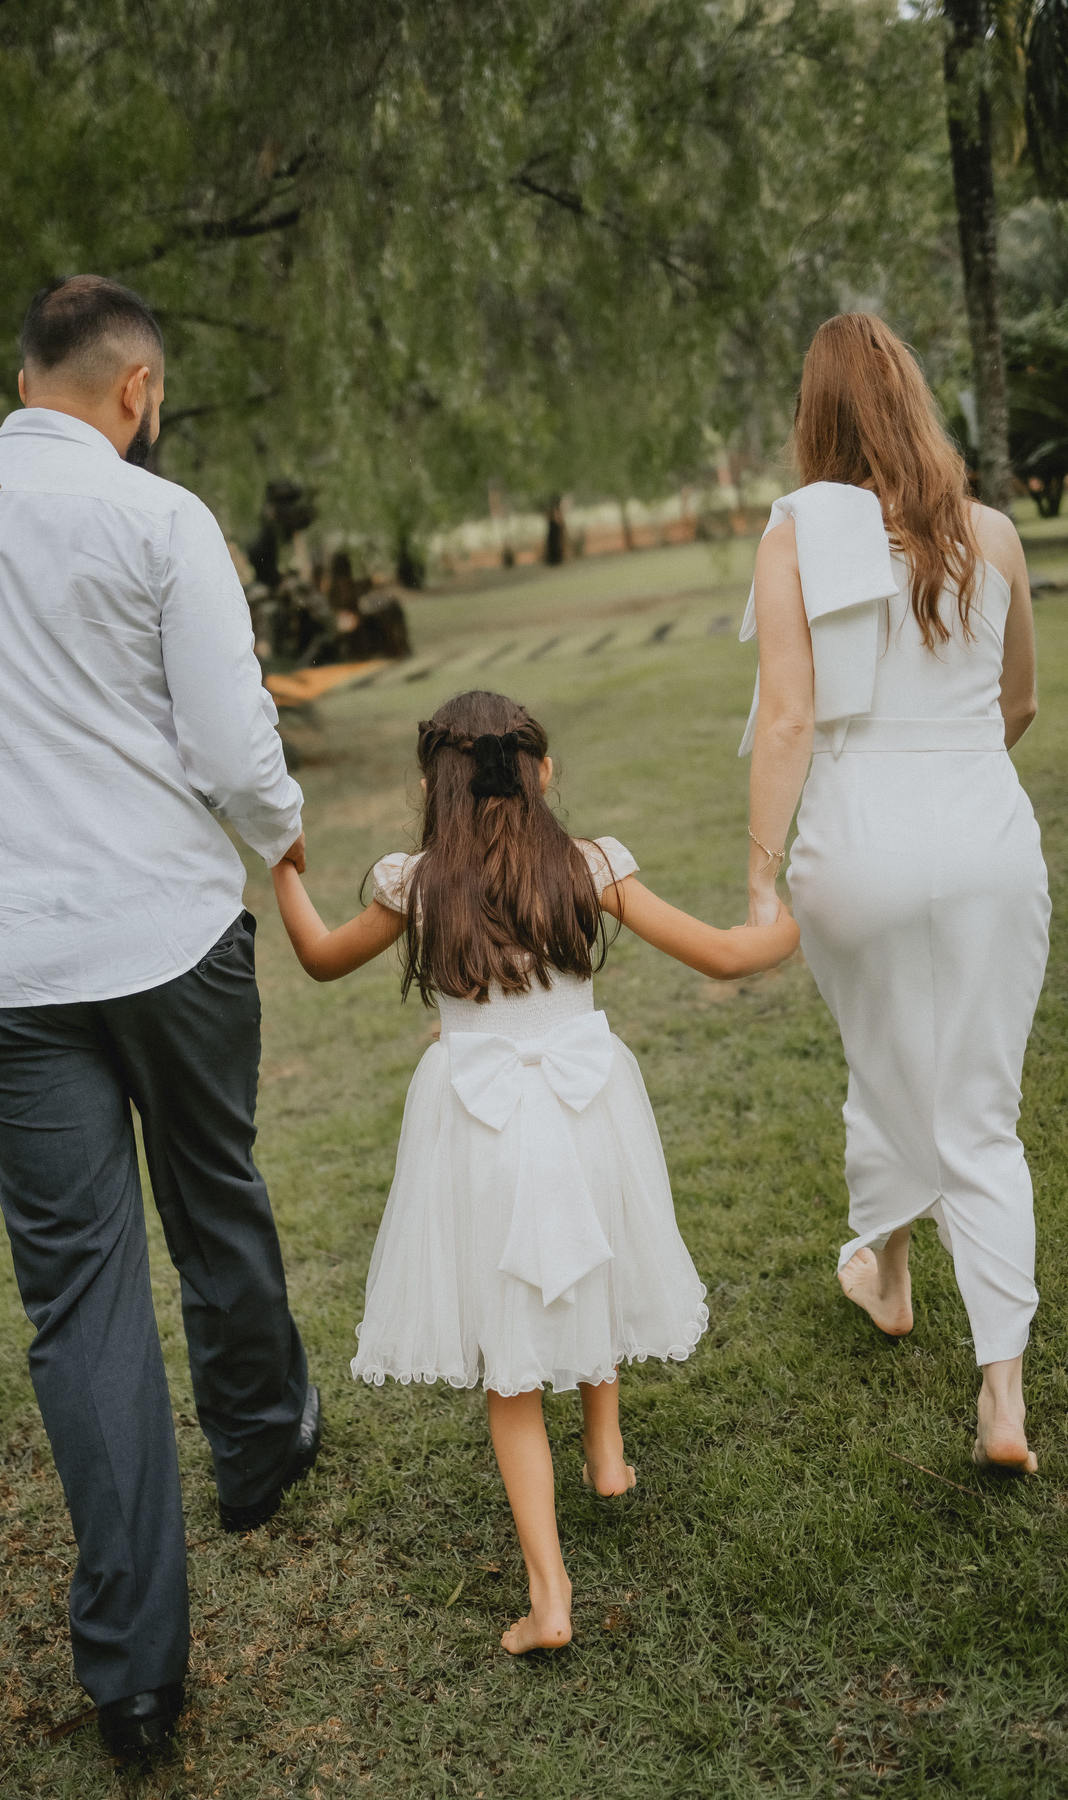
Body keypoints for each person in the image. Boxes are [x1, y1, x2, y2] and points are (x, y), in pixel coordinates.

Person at [0, 275, 321, 1760]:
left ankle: (133, 1677)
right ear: (137, 390)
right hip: (166, 932)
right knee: (214, 1189)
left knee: (79, 1300)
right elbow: (234, 748)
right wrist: (283, 834)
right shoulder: (161, 517)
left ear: (26, 380)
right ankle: (259, 1451)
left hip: (0, 966)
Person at [271, 689, 799, 1653]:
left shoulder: (414, 883)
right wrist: (800, 917)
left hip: (476, 1126)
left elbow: (316, 956)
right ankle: (606, 1451)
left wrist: (283, 868)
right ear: (542, 772)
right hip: (588, 1107)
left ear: (433, 789)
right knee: (594, 1253)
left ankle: (551, 1593)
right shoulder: (587, 866)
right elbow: (727, 956)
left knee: (510, 1362)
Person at [741, 313, 1050, 1473]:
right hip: (986, 840)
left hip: (857, 840)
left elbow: (788, 721)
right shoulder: (993, 535)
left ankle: (889, 1272)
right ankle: (1002, 1398)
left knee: (884, 1063)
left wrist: (759, 875)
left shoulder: (795, 540)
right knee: (980, 1109)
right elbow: (1020, 703)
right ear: (914, 404)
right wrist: (955, 778)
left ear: (814, 421)